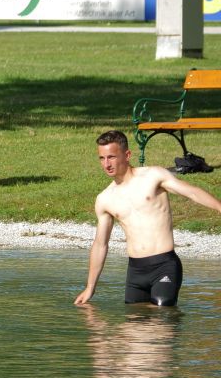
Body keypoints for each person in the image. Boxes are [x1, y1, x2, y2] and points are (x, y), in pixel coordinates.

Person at [75, 130, 221, 307]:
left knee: (160, 320)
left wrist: (219, 207)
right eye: (102, 158)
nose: (106, 164)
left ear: (127, 155)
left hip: (164, 266)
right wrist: (90, 287)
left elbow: (191, 192)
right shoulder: (105, 199)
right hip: (135, 272)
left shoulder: (153, 176)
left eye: (111, 157)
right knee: (135, 325)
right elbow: (100, 244)